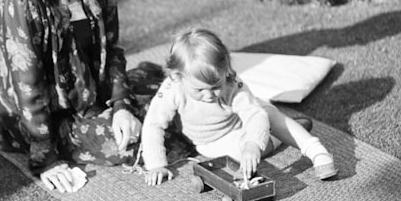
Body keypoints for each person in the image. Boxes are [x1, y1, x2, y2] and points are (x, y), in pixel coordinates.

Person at [0, 0, 142, 194]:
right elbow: (28, 85)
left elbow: (111, 48)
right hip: (41, 114)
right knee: (134, 146)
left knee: (156, 115)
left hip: (89, 95)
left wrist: (122, 105)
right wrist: (46, 158)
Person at [140, 28, 337, 186]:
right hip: (215, 141)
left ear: (226, 71)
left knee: (267, 114)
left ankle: (316, 150)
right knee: (242, 153)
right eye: (200, 90)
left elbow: (255, 115)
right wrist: (156, 165)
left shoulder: (232, 82)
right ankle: (282, 135)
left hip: (245, 119)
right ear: (177, 76)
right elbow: (153, 124)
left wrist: (253, 144)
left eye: (216, 87)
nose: (209, 95)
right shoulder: (172, 87)